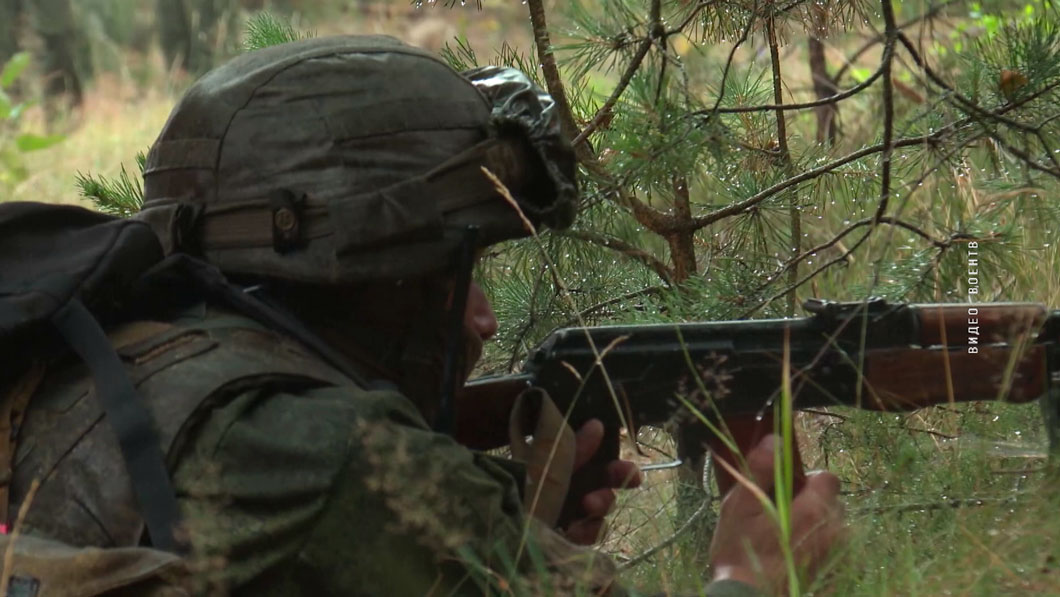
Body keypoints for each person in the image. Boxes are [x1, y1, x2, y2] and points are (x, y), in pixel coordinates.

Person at [9, 35, 844, 595]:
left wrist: (510, 542)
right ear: (366, 270)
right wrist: (750, 575)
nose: (481, 319)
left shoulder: (115, 354)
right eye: (453, 272)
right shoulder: (334, 451)